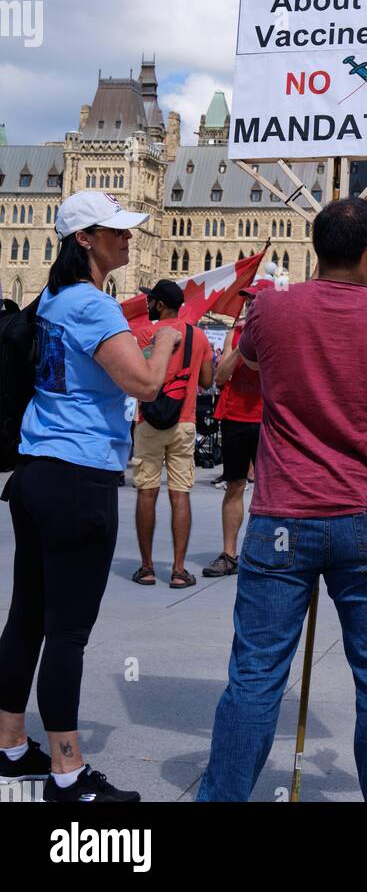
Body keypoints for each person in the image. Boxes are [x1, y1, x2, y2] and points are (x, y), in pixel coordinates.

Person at [197, 198, 367, 803]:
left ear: (317, 250)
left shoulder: (271, 310)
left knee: (256, 677)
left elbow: (247, 365)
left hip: (283, 516)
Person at [0, 190, 181, 802]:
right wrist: (169, 336)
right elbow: (146, 382)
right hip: (81, 476)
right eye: (116, 231)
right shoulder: (93, 307)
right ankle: (68, 773)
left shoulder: (51, 298)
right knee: (67, 632)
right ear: (85, 240)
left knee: (26, 617)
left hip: (34, 472)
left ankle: (9, 747)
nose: (127, 239)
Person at [131, 279, 213, 588]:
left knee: (146, 492)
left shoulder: (143, 334)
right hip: (184, 420)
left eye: (152, 300)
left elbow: (136, 375)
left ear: (160, 305)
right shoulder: (199, 336)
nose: (149, 304)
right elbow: (207, 380)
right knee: (180, 494)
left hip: (148, 421)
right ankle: (179, 570)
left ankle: (147, 567)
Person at [203, 284, 266, 577]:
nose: (248, 305)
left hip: (269, 419)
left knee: (270, 490)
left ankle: (266, 552)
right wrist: (243, 343)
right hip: (236, 416)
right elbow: (220, 375)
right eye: (247, 300)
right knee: (235, 485)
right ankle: (229, 554)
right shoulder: (235, 334)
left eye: (254, 300)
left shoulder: (278, 334)